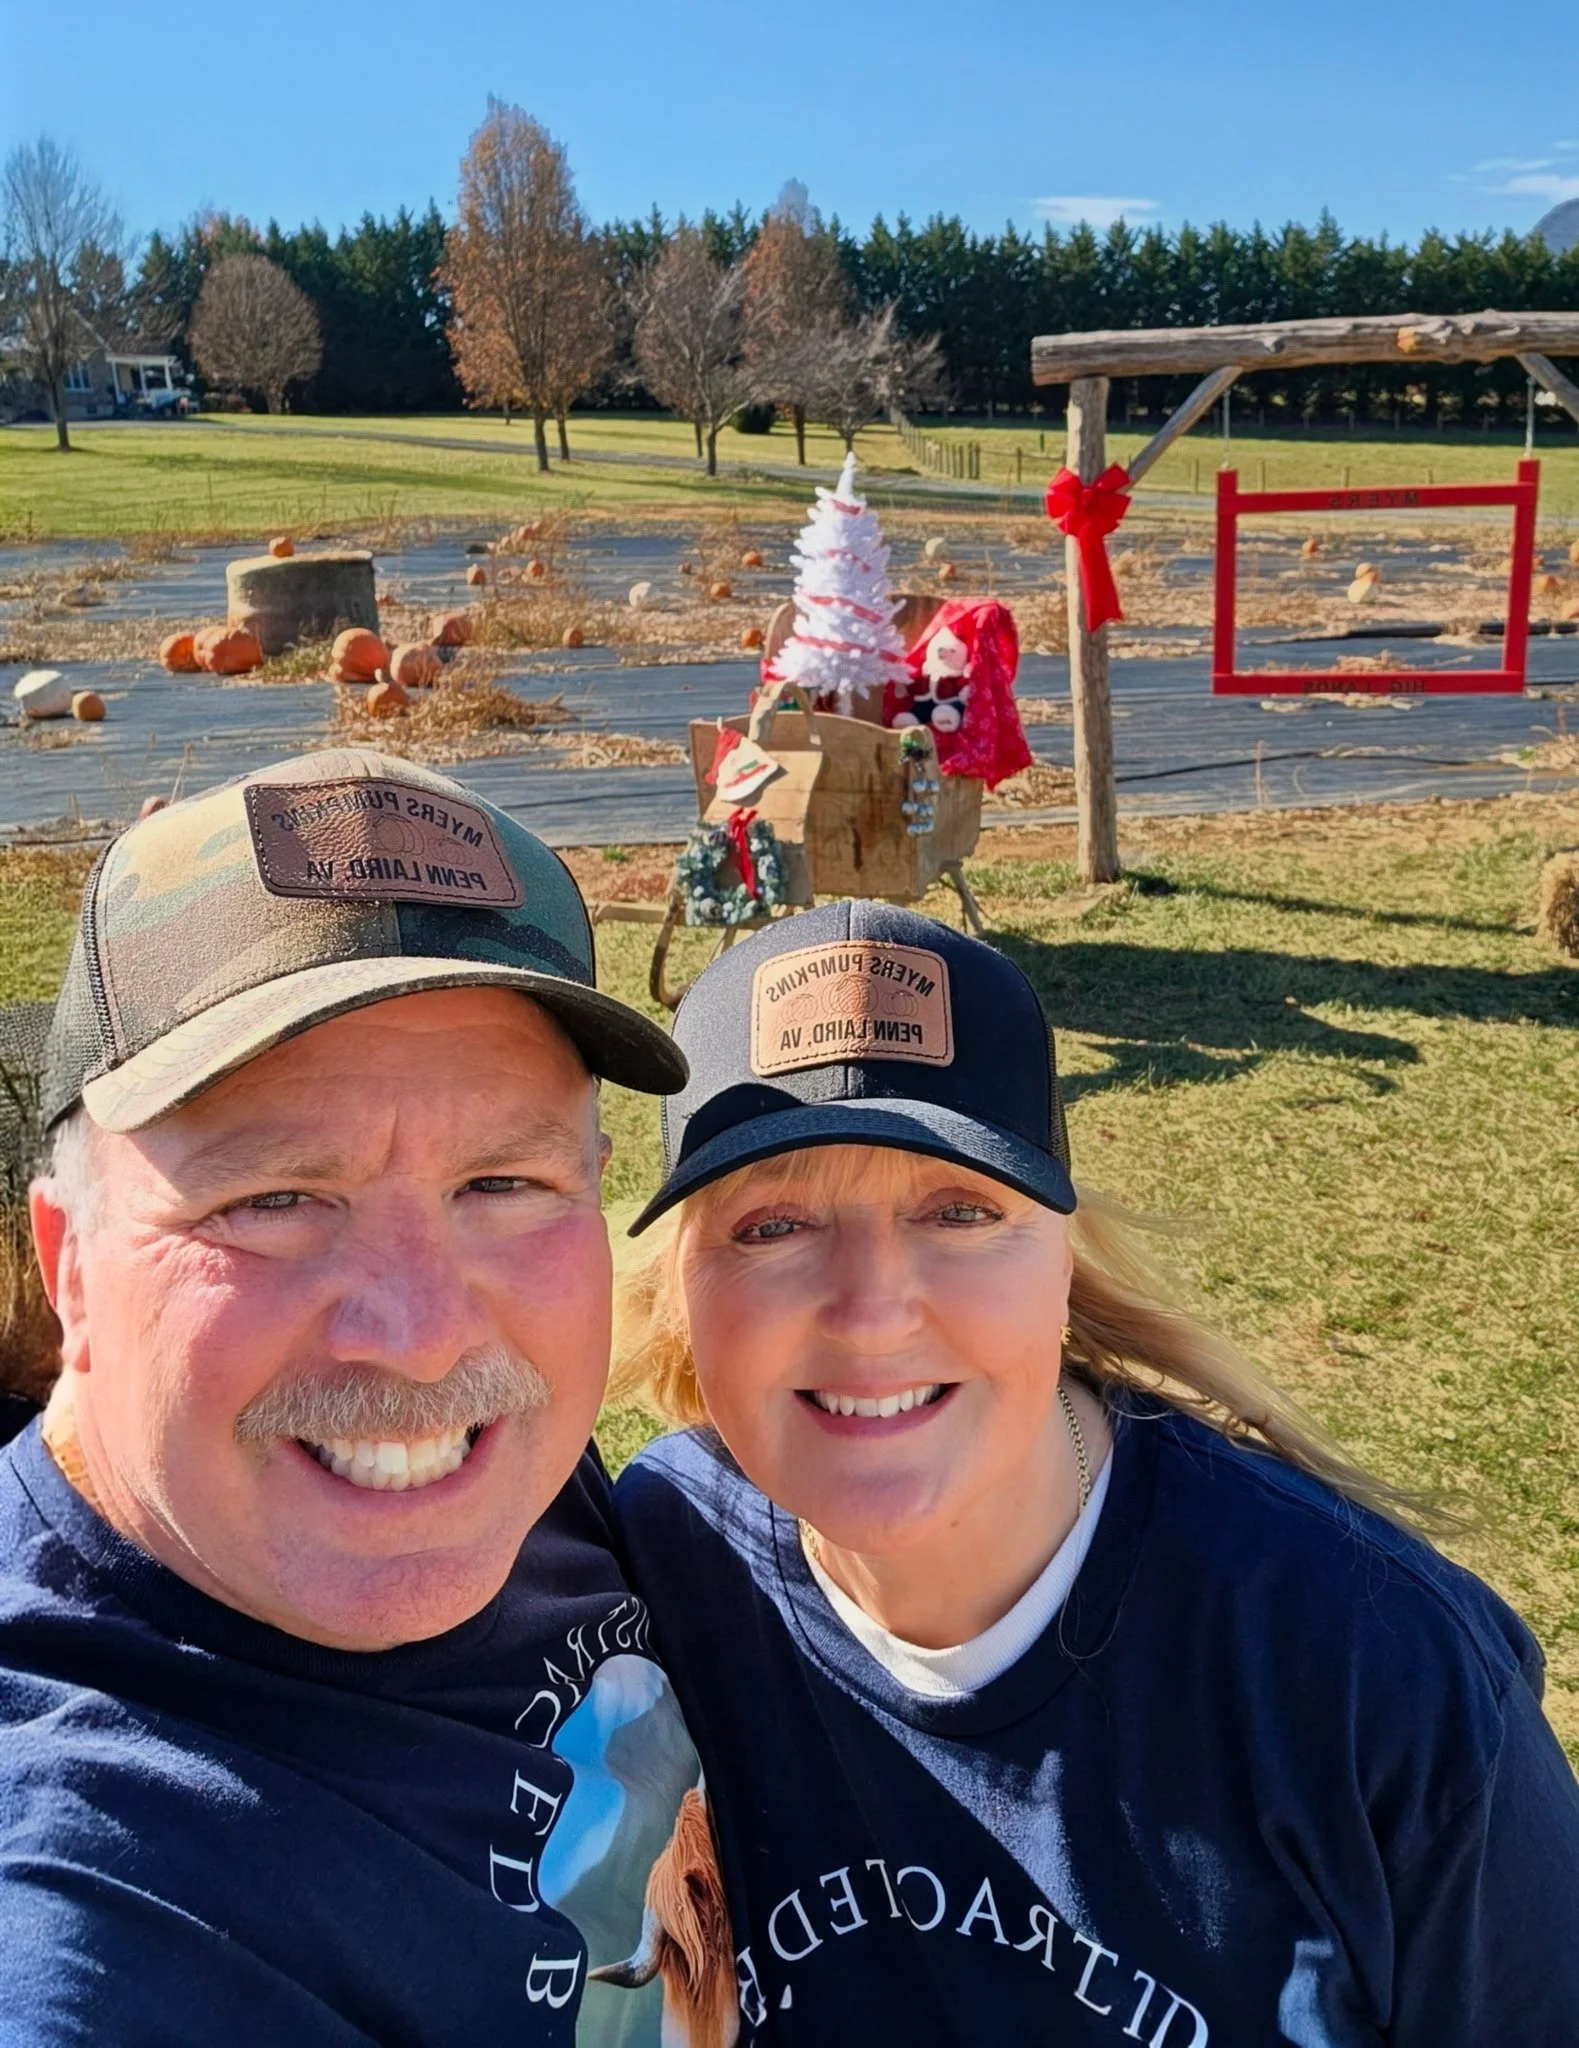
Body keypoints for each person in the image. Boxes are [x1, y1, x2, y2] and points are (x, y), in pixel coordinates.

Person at [609, 897, 1579, 2045]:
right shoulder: (663, 1557)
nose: (871, 1313)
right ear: (684, 1289)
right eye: (771, 1225)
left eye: (960, 1208)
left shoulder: (1373, 1672)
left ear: (1058, 1259)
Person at [0, 747, 707, 2046]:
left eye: (502, 1185)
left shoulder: (497, 1474)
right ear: (72, 1269)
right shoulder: (89, 1916)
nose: (424, 1339)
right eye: (273, 1200)